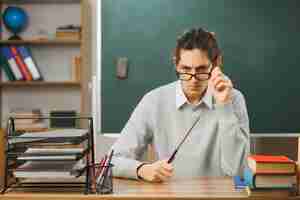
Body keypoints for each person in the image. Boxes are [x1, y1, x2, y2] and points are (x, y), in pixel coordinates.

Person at [110, 27, 250, 182]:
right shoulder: (154, 100)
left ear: (217, 63)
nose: (193, 79)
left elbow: (239, 172)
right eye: (186, 69)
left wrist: (224, 107)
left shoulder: (234, 99)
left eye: (202, 69)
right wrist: (142, 169)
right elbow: (112, 161)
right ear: (176, 64)